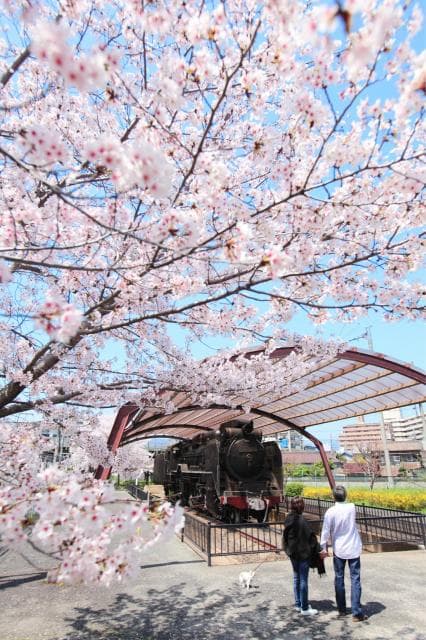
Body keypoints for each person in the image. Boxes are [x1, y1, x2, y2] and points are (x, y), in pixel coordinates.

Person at [320, 485, 368, 622]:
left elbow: (325, 531)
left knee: (339, 578)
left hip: (339, 549)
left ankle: (341, 609)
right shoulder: (352, 507)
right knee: (355, 579)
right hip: (353, 547)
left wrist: (323, 547)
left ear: (333, 497)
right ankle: (356, 612)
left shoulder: (330, 512)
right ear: (345, 495)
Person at [283, 496, 326, 616]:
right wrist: (320, 550)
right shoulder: (302, 521)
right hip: (303, 554)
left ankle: (298, 604)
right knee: (303, 580)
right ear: (302, 507)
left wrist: (288, 550)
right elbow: (312, 539)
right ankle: (305, 608)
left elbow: (286, 536)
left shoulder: (288, 518)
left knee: (296, 578)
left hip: (293, 554)